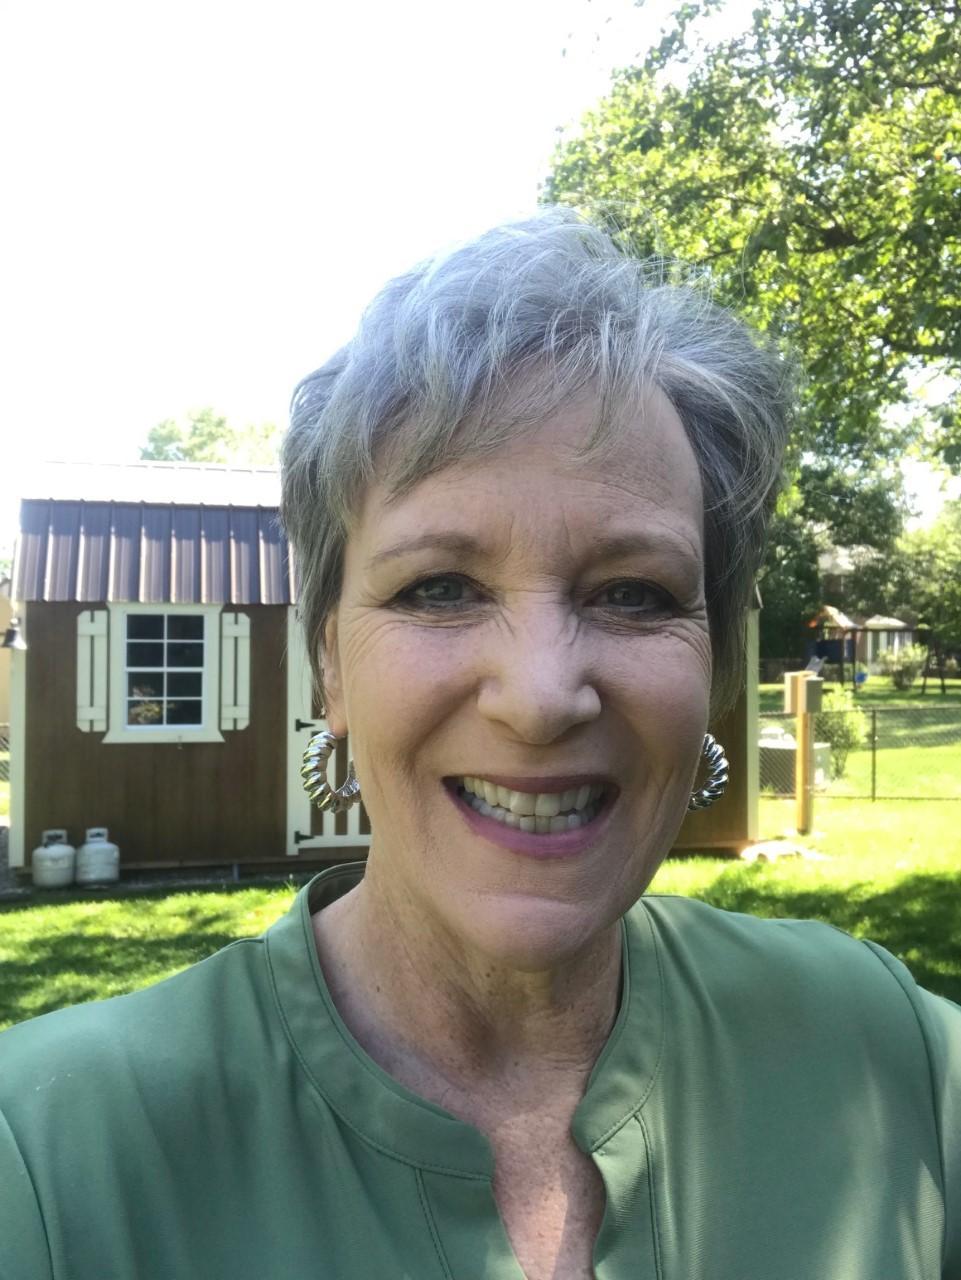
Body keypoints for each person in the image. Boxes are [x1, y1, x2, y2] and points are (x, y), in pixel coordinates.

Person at [1, 209, 959, 1280]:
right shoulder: (48, 1159)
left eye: (634, 594)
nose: (541, 698)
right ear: (329, 664)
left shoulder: (888, 1055)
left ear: (714, 669)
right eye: (440, 588)